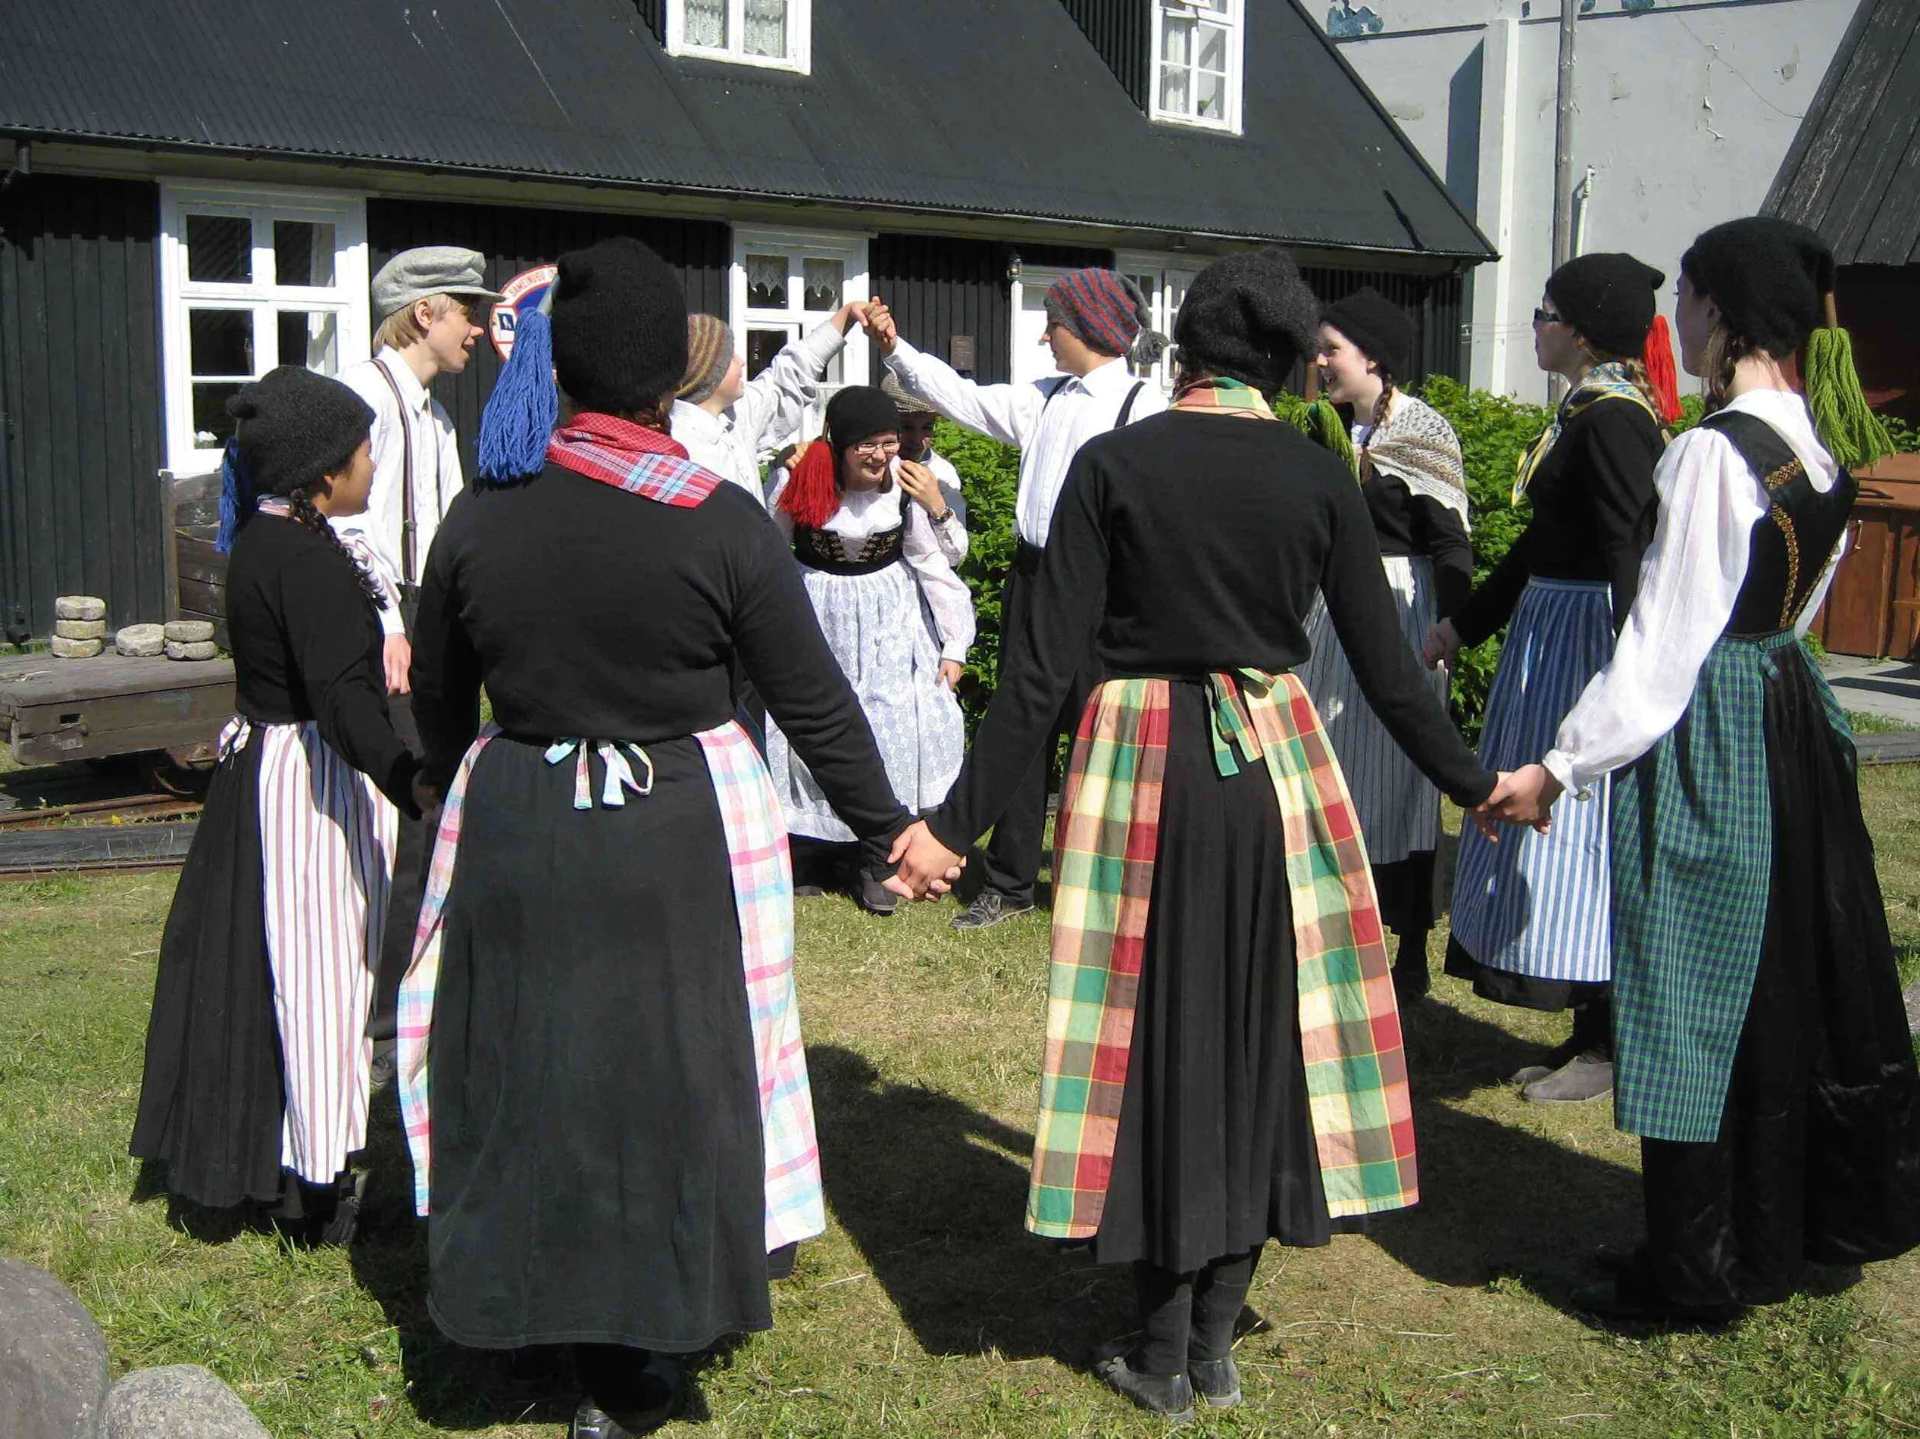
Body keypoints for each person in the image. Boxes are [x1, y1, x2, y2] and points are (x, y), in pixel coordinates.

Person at [892, 249, 1504, 1421]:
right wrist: (1475, 780)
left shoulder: (1114, 463)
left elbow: (1036, 678)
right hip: (1276, 769)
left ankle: (1159, 1346)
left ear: (1184, 350)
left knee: (1151, 1038)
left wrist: (948, 830)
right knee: (1265, 1036)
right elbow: (1388, 674)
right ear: (1284, 362)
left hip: (1139, 766)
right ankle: (1213, 1341)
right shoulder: (1318, 474)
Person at [397, 237, 955, 1439]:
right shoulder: (720, 518)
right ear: (667, 375)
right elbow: (810, 700)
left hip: (521, 814)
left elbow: (439, 702)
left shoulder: (482, 515)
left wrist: (458, 789)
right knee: (666, 1078)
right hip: (673, 826)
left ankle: (526, 1312)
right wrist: (896, 827)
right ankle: (638, 1360)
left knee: (528, 1066)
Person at [1489, 217, 1920, 1319]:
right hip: (1789, 718)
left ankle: (1699, 1264)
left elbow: (1662, 648)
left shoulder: (1712, 452)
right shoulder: (1815, 447)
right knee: (1780, 988)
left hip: (1715, 729)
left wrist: (1557, 766)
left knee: (1691, 985)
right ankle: (1774, 1229)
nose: (1675, 311)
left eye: (1686, 292)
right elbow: (1793, 610)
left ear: (1721, 310)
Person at [131, 366, 426, 1244]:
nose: (374, 465)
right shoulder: (304, 559)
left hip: (266, 767)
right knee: (321, 980)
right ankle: (317, 1188)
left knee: (276, 975)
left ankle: (278, 1161)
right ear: (321, 471)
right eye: (365, 451)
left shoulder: (274, 536)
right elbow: (342, 700)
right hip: (307, 786)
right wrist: (409, 780)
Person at [1423, 253, 1672, 1104]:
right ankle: (1587, 1028)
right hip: (1554, 630)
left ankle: (1610, 1038)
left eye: (1542, 310)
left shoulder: (1613, 423)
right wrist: (1467, 624)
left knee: (1586, 834)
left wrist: (1630, 669)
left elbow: (1627, 550)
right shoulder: (1587, 414)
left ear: (1577, 329)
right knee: (1564, 840)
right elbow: (1544, 546)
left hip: (1585, 643)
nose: (1532, 323)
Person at [871, 269, 1168, 931]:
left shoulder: (1144, 406)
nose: (1044, 334)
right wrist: (896, 349)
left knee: (1099, 732)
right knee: (1020, 726)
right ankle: (1007, 879)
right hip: (1036, 578)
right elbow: (962, 398)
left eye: (1054, 322)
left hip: (1103, 590)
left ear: (1088, 326)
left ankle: (1095, 878)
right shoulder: (1045, 397)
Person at [336, 246, 502, 1080]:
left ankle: (419, 988)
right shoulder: (368, 399)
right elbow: (346, 524)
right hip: (393, 636)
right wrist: (390, 622)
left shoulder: (433, 414)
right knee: (417, 816)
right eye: (466, 309)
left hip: (433, 629)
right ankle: (385, 1021)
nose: (477, 326)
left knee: (442, 813)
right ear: (425, 312)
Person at [1299, 288, 1472, 1002]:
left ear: (1372, 356)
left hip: (1399, 612)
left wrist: (1453, 628)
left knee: (1398, 779)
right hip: (1326, 614)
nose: (1319, 360)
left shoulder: (1423, 432)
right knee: (1331, 769)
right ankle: (1331, 928)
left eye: (1331, 349)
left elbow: (1452, 541)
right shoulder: (1322, 427)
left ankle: (1406, 948)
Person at [763, 386, 974, 916]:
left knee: (887, 726)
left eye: (889, 442)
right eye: (868, 445)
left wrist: (955, 643)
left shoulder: (904, 486)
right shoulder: (799, 478)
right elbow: (765, 551)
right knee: (810, 727)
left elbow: (935, 565)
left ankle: (879, 857)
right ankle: (810, 851)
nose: (882, 455)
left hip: (889, 623)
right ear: (839, 443)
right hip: (818, 615)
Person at [672, 305, 874, 504]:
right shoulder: (679, 445)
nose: (741, 361)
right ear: (708, 371)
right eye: (730, 357)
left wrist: (847, 315)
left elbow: (787, 376)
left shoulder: (736, 414)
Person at [881, 370, 969, 564]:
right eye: (907, 427)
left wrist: (936, 505)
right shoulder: (872, 467)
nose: (917, 439)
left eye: (927, 427)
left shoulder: (942, 473)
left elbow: (956, 554)